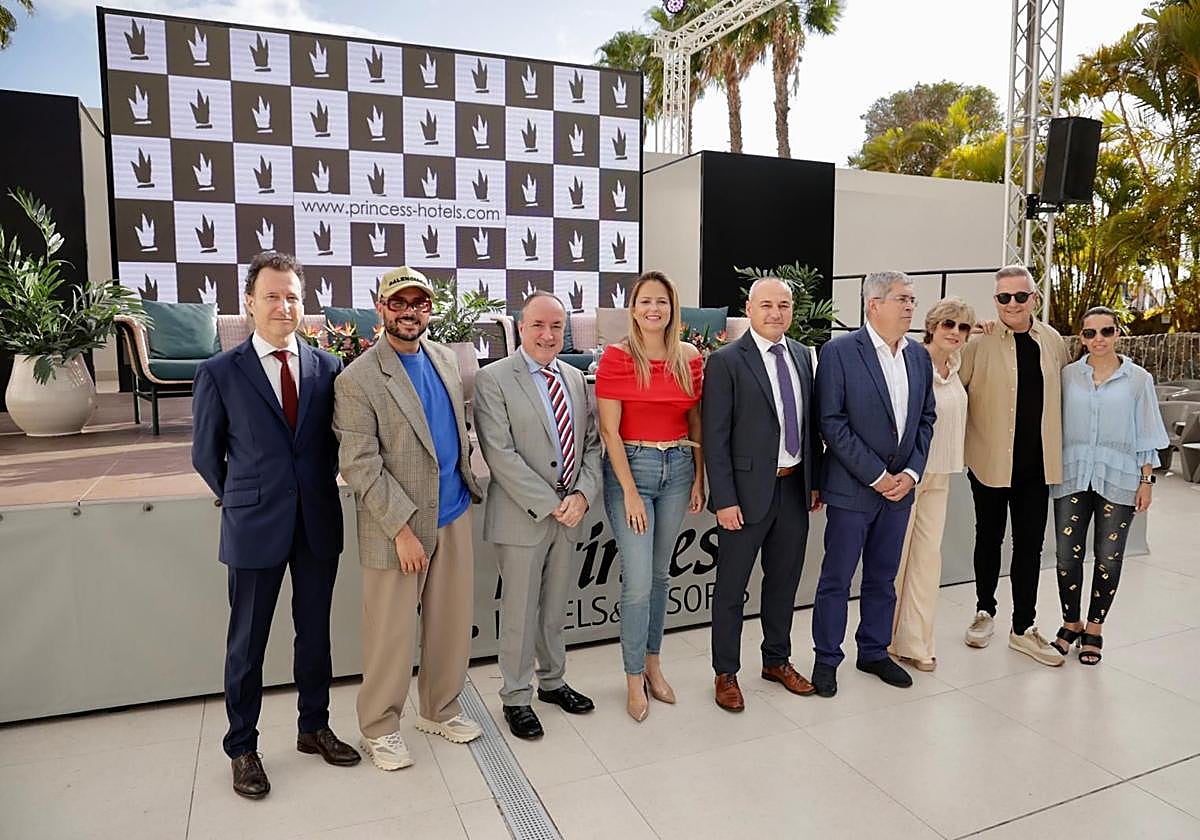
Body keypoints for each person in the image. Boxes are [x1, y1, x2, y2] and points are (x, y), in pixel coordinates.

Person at [192, 251, 359, 800]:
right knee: (248, 643)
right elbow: (204, 455)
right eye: (272, 295)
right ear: (249, 302)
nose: (283, 305)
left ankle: (314, 727)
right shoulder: (219, 372)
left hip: (316, 522)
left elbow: (336, 442)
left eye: (292, 295)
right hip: (253, 525)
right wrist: (240, 497)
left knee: (314, 634)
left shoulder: (328, 367)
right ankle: (242, 746)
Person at [333, 266, 484, 771]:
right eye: (398, 303)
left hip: (453, 511)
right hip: (395, 526)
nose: (408, 312)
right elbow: (359, 463)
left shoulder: (444, 358)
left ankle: (439, 709)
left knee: (450, 624)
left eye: (418, 303)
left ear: (429, 309)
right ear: (380, 308)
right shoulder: (357, 379)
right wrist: (401, 529)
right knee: (391, 634)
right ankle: (379, 727)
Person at [472, 291, 602, 739]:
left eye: (556, 327)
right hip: (524, 517)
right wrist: (553, 505)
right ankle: (515, 697)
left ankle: (552, 682)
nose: (548, 335)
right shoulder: (493, 379)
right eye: (538, 326)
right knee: (520, 612)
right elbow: (499, 454)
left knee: (553, 609)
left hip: (570, 514)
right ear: (520, 328)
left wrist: (582, 496)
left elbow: (590, 445)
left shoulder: (574, 376)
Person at [809, 271, 936, 698]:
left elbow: (925, 419)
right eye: (902, 299)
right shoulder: (840, 352)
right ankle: (827, 659)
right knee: (837, 578)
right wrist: (878, 476)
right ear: (873, 304)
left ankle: (874, 651)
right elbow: (832, 421)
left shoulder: (918, 356)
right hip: (853, 490)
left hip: (900, 492)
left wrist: (911, 474)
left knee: (883, 579)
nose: (909, 308)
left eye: (912, 300)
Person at [703, 277, 823, 712]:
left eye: (784, 305)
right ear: (749, 309)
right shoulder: (726, 361)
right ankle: (725, 672)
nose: (776, 313)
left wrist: (813, 480)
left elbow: (808, 425)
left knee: (784, 582)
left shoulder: (801, 355)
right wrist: (726, 500)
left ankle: (776, 660)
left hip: (793, 488)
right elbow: (715, 439)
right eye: (767, 305)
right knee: (732, 588)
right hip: (745, 495)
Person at [595, 271, 705, 722]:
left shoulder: (690, 357)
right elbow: (608, 430)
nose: (653, 309)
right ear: (633, 308)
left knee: (661, 577)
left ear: (672, 307)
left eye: (661, 301)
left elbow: (695, 420)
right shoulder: (618, 358)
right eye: (645, 301)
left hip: (678, 467)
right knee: (638, 581)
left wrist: (699, 478)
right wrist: (629, 493)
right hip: (633, 470)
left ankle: (655, 665)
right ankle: (633, 676)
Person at [959, 265, 1071, 666]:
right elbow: (954, 389)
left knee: (1030, 546)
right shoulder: (979, 343)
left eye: (1019, 296)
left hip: (1037, 466)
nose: (1011, 304)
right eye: (1003, 297)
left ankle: (1023, 626)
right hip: (989, 460)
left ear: (1033, 299)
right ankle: (984, 610)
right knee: (988, 538)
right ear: (995, 300)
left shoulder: (1052, 341)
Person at [1050, 306, 1168, 665]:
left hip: (1119, 476)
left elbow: (1147, 433)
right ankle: (1071, 623)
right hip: (1072, 474)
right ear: (1081, 337)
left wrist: (1146, 480)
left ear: (1118, 333)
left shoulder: (1138, 380)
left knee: (1108, 557)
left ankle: (1094, 629)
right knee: (1066, 556)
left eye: (1105, 331)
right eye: (1089, 333)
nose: (1097, 339)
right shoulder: (1068, 376)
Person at [888, 297, 974, 672]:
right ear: (932, 327)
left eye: (963, 327)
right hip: (908, 474)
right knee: (896, 560)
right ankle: (883, 638)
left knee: (926, 561)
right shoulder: (913, 359)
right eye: (948, 325)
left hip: (941, 473)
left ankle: (916, 642)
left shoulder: (955, 366)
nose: (955, 332)